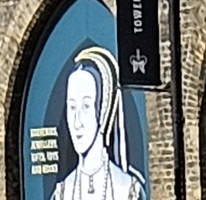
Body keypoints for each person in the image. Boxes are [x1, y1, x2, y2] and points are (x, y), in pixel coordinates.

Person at [52, 46, 144, 200]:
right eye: (72, 107)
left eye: (86, 106)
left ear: (102, 109)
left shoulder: (128, 188)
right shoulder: (63, 192)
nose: (77, 122)